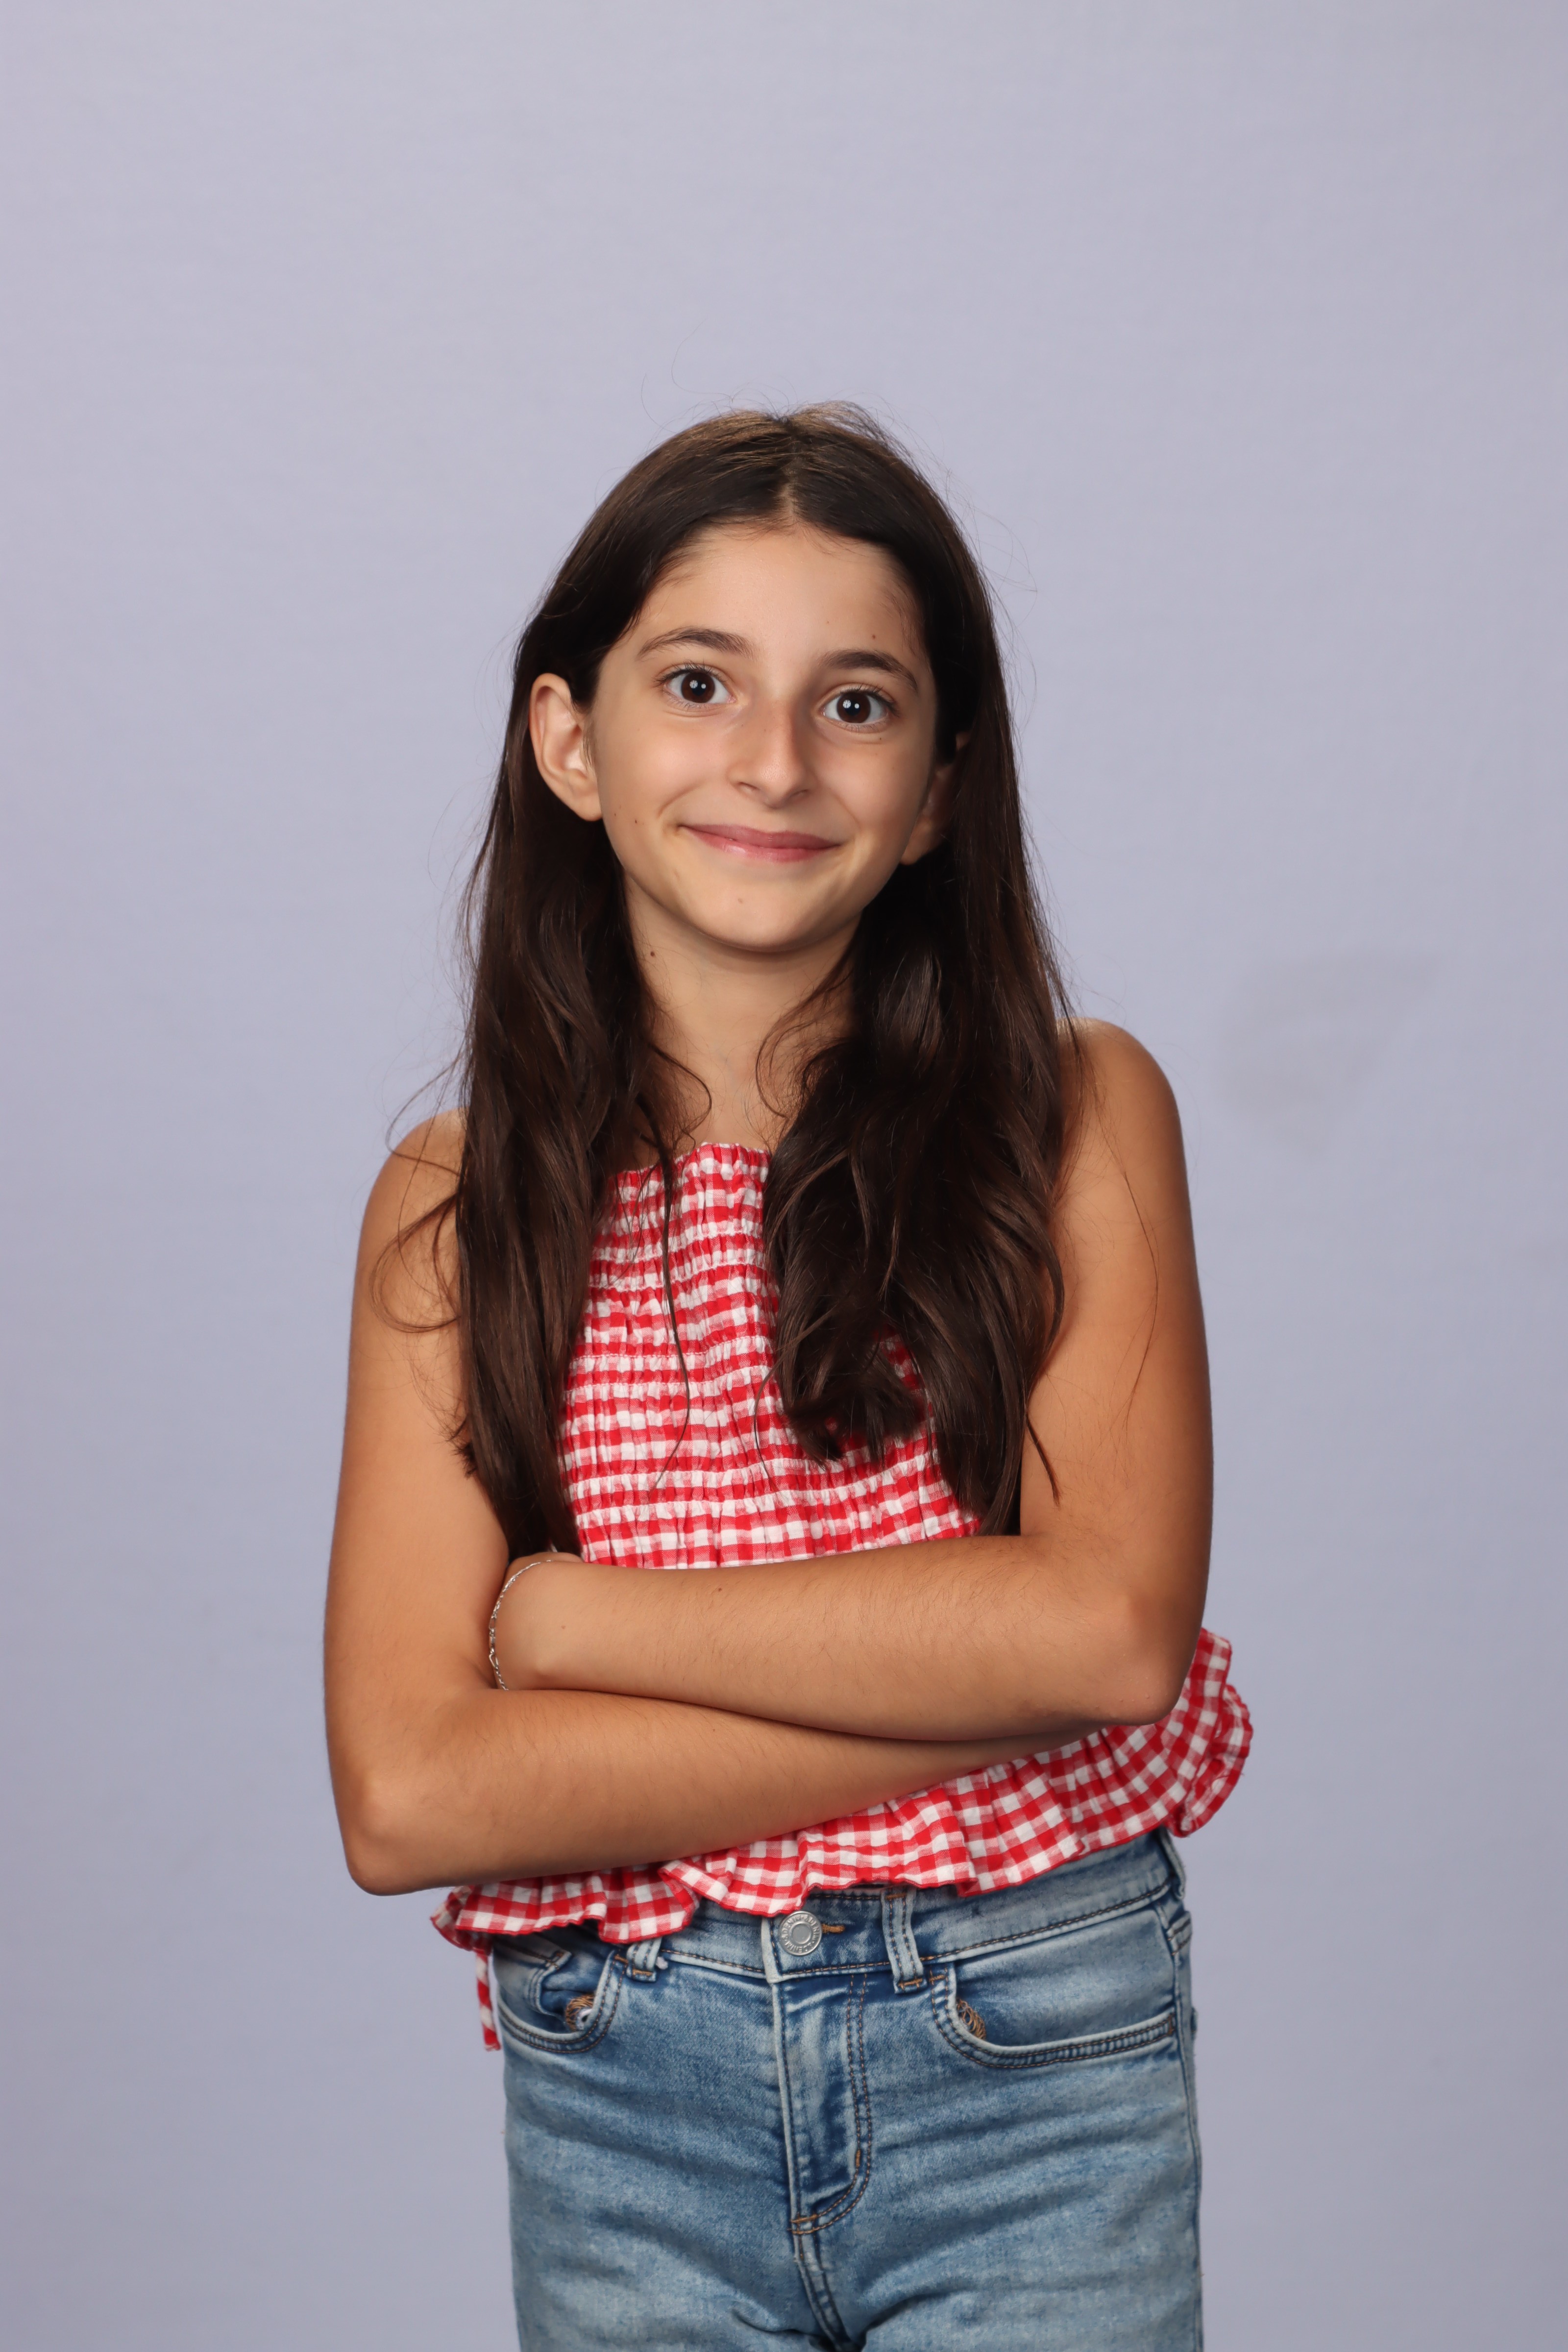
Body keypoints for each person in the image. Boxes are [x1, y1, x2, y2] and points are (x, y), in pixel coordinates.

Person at [324, 406, 1250, 2351]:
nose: (771, 761)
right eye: (697, 683)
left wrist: (580, 1627)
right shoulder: (458, 1207)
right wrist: (972, 1682)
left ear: (938, 786)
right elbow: (409, 1792)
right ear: (570, 741)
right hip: (626, 2091)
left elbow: (1099, 1636)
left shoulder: (1071, 1116)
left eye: (855, 703)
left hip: (1030, 2053)